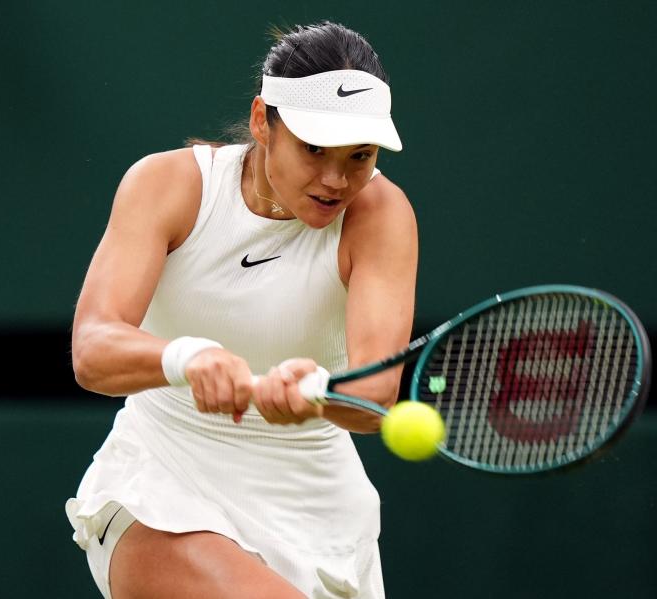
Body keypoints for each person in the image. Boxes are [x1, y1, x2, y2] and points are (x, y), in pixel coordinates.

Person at [65, 21, 417, 599]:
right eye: (313, 149)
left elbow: (374, 395)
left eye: (360, 155)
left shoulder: (382, 214)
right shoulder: (168, 185)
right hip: (162, 486)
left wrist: (317, 388)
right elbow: (94, 348)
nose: (336, 180)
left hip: (319, 516)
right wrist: (185, 358)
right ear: (262, 122)